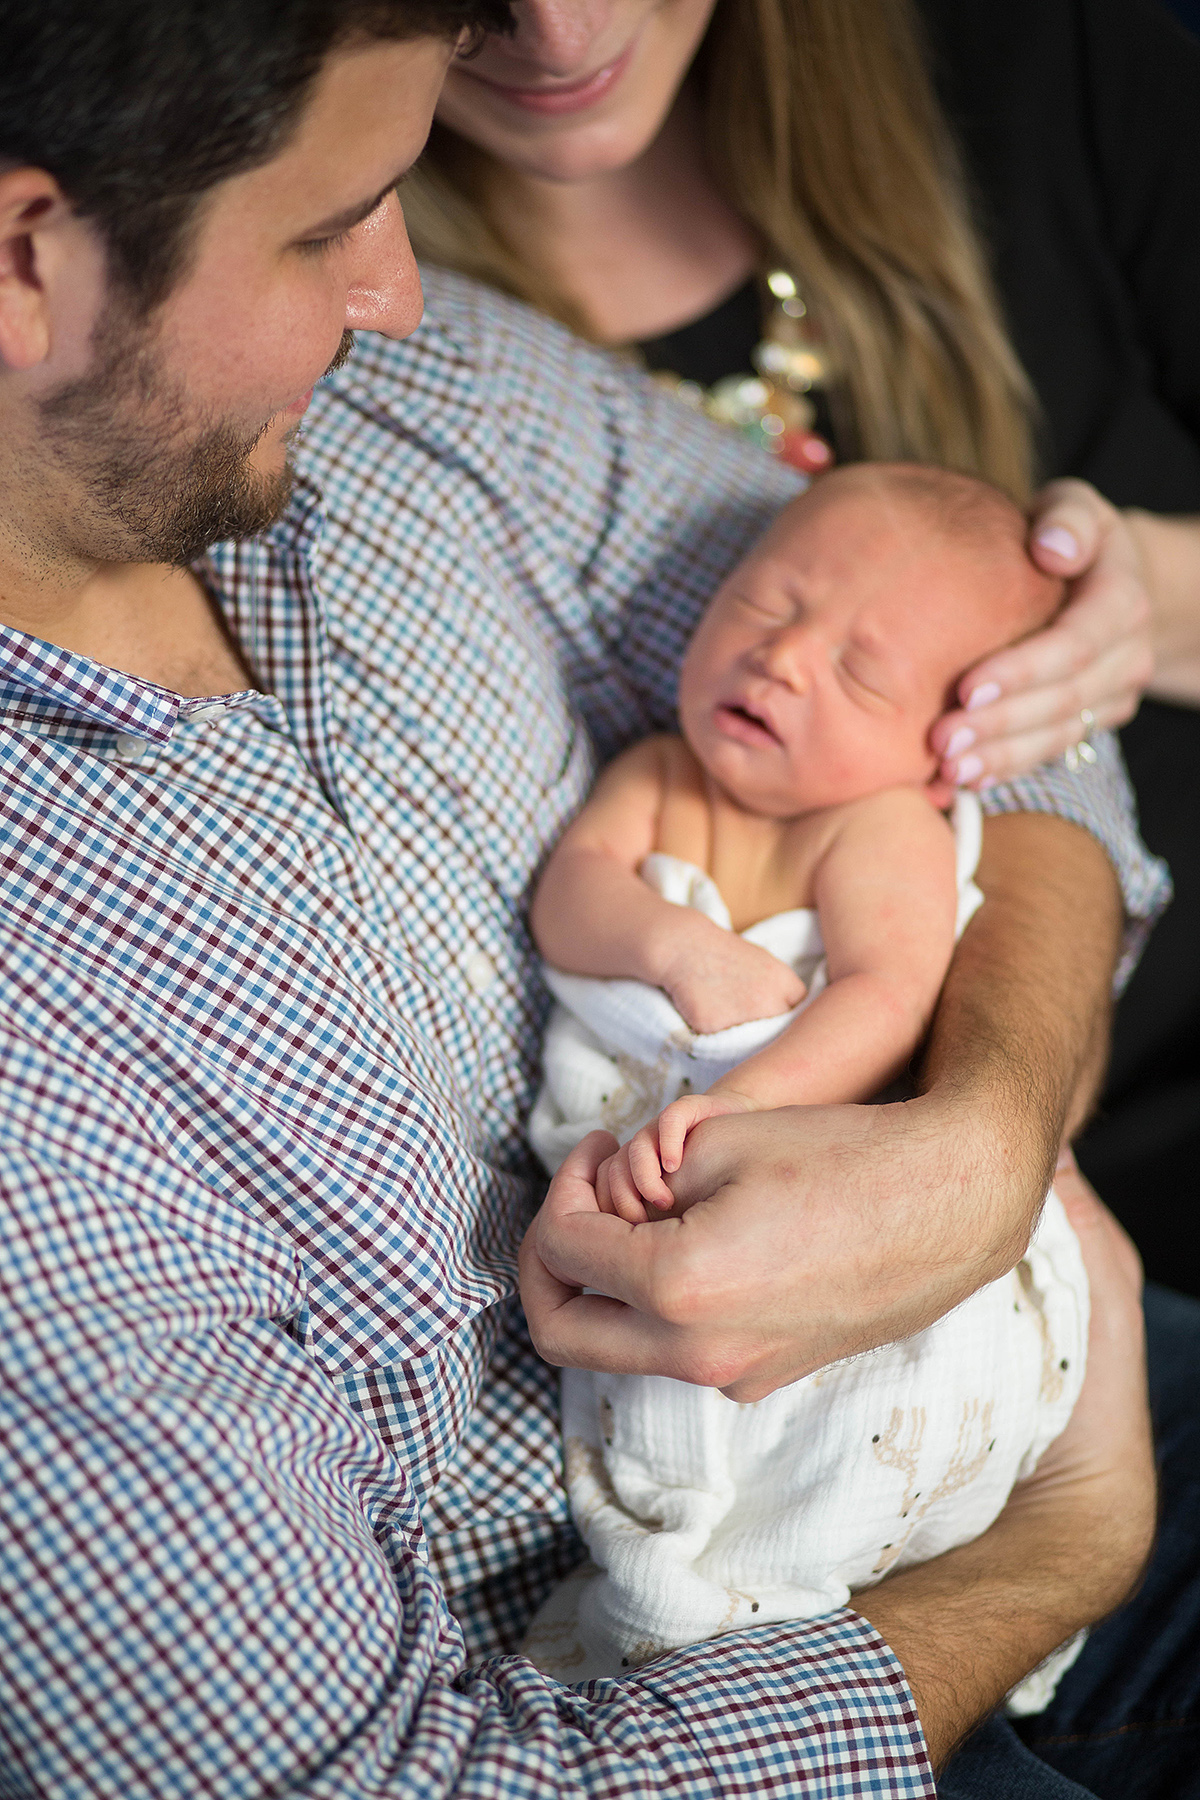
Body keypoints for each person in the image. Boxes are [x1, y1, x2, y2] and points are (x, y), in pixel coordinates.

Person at [0, 3, 1186, 1796]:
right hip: (741, 1668)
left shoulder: (408, 402)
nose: (401, 291)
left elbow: (990, 707)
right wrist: (1048, 1563)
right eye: (331, 227)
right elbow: (425, 1782)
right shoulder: (39, 1109)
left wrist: (985, 1131)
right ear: (25, 258)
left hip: (1033, 1341)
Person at [404, 0, 1200, 1284]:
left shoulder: (1045, 73)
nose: (554, 31)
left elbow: (889, 982)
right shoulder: (413, 343)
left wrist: (1153, 603)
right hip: (754, 1221)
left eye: (865, 666)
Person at [520, 465, 1088, 1697]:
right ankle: (679, 1598)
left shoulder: (883, 826)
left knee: (840, 1423)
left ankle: (766, 1605)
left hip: (786, 1145)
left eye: (861, 672)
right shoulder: (662, 772)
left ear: (947, 754)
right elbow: (575, 898)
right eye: (766, 607)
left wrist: (741, 1106)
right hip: (635, 1162)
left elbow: (885, 999)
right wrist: (673, 947)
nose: (782, 662)